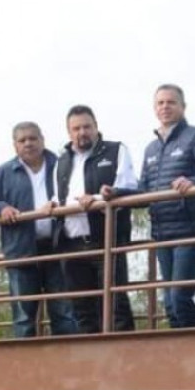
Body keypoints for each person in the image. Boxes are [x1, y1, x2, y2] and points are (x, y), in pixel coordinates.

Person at [137, 84, 195, 328]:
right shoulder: (151, 148)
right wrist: (113, 193)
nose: (165, 107)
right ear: (154, 109)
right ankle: (180, 356)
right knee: (169, 303)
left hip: (189, 230)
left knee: (180, 298)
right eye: (160, 103)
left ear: (183, 106)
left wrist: (193, 181)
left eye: (171, 102)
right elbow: (142, 188)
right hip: (162, 233)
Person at [0, 122, 77, 338]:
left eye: (32, 138)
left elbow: (79, 191)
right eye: (22, 140)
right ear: (15, 145)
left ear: (42, 140)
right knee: (23, 317)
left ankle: (69, 366)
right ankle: (24, 368)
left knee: (64, 312)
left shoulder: (61, 165)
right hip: (21, 252)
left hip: (58, 248)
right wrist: (0, 207)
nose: (28, 143)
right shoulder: (3, 172)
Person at [55, 105, 139, 333]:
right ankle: (89, 365)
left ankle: (127, 361)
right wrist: (53, 205)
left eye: (87, 127)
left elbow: (130, 188)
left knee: (116, 306)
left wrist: (102, 197)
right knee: (82, 310)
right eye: (76, 128)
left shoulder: (116, 151)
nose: (82, 132)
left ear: (96, 127)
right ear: (68, 132)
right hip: (72, 245)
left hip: (106, 240)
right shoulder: (61, 161)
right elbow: (58, 196)